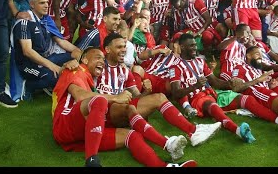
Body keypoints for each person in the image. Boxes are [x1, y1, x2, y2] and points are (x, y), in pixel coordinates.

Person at [52, 47, 197, 167]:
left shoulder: (97, 78)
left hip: (86, 130)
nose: (102, 62)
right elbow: (81, 96)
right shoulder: (75, 70)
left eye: (103, 59)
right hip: (65, 124)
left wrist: (143, 92)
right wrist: (116, 97)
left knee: (132, 136)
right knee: (99, 101)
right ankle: (92, 161)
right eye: (97, 57)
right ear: (84, 59)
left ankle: (165, 165)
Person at [94, 32, 222, 147]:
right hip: (102, 113)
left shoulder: (124, 71)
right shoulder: (97, 67)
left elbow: (137, 99)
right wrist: (115, 98)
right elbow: (85, 94)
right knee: (129, 107)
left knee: (159, 97)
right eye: (119, 47)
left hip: (122, 110)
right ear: (107, 49)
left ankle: (193, 131)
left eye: (124, 47)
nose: (123, 50)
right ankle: (167, 142)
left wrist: (146, 92)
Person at [169, 33, 258, 144]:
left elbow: (215, 81)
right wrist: (195, 86)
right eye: (191, 45)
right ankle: (238, 130)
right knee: (213, 106)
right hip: (196, 99)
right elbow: (176, 93)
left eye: (195, 45)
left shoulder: (200, 62)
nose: (195, 48)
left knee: (246, 99)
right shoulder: (175, 67)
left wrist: (229, 84)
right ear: (182, 47)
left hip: (212, 93)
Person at [11, 0, 82, 99]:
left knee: (77, 58)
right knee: (54, 77)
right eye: (42, 3)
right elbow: (27, 51)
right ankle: (28, 86)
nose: (46, 5)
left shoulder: (46, 20)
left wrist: (78, 51)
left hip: (46, 58)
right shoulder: (24, 22)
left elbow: (61, 41)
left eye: (47, 2)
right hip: (28, 64)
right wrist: (52, 66)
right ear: (32, 5)